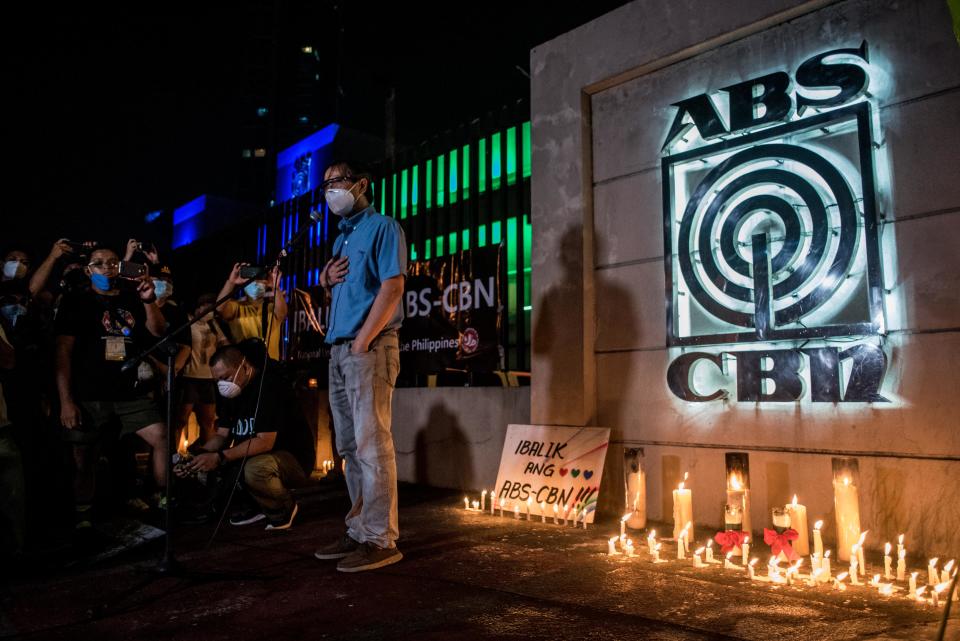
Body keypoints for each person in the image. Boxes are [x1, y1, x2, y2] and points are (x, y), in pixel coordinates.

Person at [312, 160, 407, 573]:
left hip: (367, 348)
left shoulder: (384, 227)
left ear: (361, 184)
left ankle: (381, 539)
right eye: (326, 184)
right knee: (349, 448)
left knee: (372, 445)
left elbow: (393, 285)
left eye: (337, 181)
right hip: (339, 350)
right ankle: (359, 530)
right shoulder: (342, 238)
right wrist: (324, 279)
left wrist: (364, 340)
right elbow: (344, 289)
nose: (330, 189)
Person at [54, 247, 169, 535]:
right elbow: (63, 353)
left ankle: (164, 498)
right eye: (99, 263)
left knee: (162, 436)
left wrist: (150, 301)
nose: (107, 268)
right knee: (84, 457)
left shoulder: (132, 298)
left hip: (129, 392)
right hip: (89, 394)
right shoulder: (75, 301)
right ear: (88, 270)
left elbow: (157, 332)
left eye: (112, 263)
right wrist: (66, 401)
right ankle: (83, 516)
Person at [178, 345, 314, 530]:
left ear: (245, 367)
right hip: (255, 455)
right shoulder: (230, 395)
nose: (222, 384)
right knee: (219, 464)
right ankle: (257, 504)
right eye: (217, 380)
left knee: (254, 468)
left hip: (292, 459)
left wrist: (220, 457)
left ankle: (282, 509)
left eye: (225, 377)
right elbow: (222, 435)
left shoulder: (269, 387)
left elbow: (265, 441)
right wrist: (197, 458)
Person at [177, 293, 228, 447]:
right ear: (198, 308)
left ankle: (206, 456)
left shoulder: (213, 324)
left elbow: (225, 344)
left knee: (207, 421)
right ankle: (174, 456)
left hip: (208, 379)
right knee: (181, 420)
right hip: (189, 377)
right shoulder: (187, 322)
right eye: (205, 307)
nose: (209, 311)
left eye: (211, 308)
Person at [216, 264, 287, 360]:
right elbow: (219, 308)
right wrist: (231, 282)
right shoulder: (236, 308)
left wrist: (275, 288)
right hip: (245, 365)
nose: (256, 284)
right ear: (244, 285)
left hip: (269, 365)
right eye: (252, 281)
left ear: (266, 284)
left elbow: (282, 312)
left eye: (259, 281)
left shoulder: (271, 308)